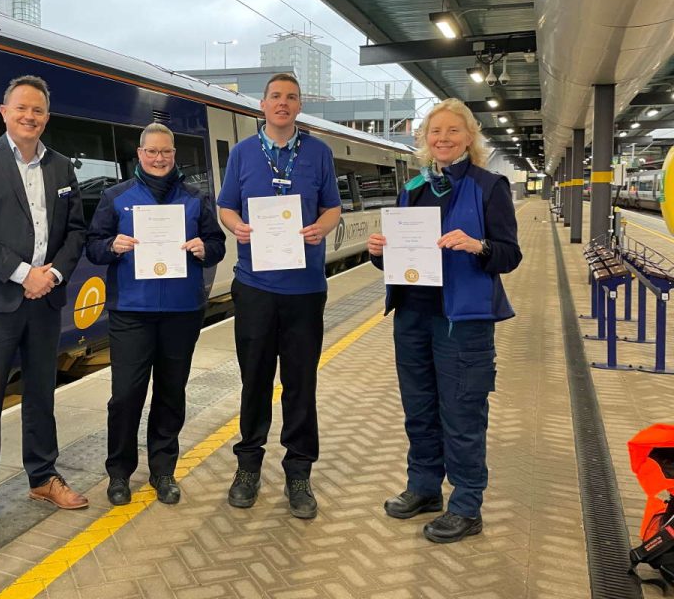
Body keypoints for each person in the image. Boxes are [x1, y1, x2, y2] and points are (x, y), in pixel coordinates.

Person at [367, 98, 521, 543]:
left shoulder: (489, 186)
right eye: (435, 132)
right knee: (419, 409)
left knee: (462, 413)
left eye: (453, 131)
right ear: (424, 140)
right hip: (412, 315)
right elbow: (396, 262)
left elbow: (509, 255)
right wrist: (379, 253)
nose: (443, 139)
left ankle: (467, 505)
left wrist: (478, 246)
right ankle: (424, 487)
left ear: (469, 138)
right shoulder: (412, 187)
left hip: (463, 321)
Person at [0, 75, 88, 548]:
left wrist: (50, 276)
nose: (30, 116)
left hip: (45, 301)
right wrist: (22, 273)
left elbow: (76, 232)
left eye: (38, 110)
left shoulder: (62, 167)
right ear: (4, 112)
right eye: (22, 109)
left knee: (41, 394)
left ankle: (42, 476)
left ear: (46, 118)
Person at [216, 72, 341, 519]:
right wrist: (237, 226)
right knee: (254, 381)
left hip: (306, 289)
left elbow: (333, 207)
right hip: (255, 288)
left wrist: (320, 228)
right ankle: (247, 467)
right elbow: (226, 205)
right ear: (263, 105)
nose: (282, 103)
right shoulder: (243, 154)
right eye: (275, 97)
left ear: (299, 105)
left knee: (300, 384)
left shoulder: (319, 153)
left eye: (291, 97)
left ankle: (299, 472)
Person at [86, 122, 226, 506]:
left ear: (174, 155)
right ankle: (119, 473)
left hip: (182, 311)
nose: (159, 158)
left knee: (171, 393)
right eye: (152, 152)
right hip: (131, 312)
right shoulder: (116, 197)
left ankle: (163, 471)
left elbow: (218, 244)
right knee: (126, 395)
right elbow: (93, 247)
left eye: (166, 152)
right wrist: (111, 245)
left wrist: (204, 248)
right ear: (140, 155)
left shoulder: (196, 198)